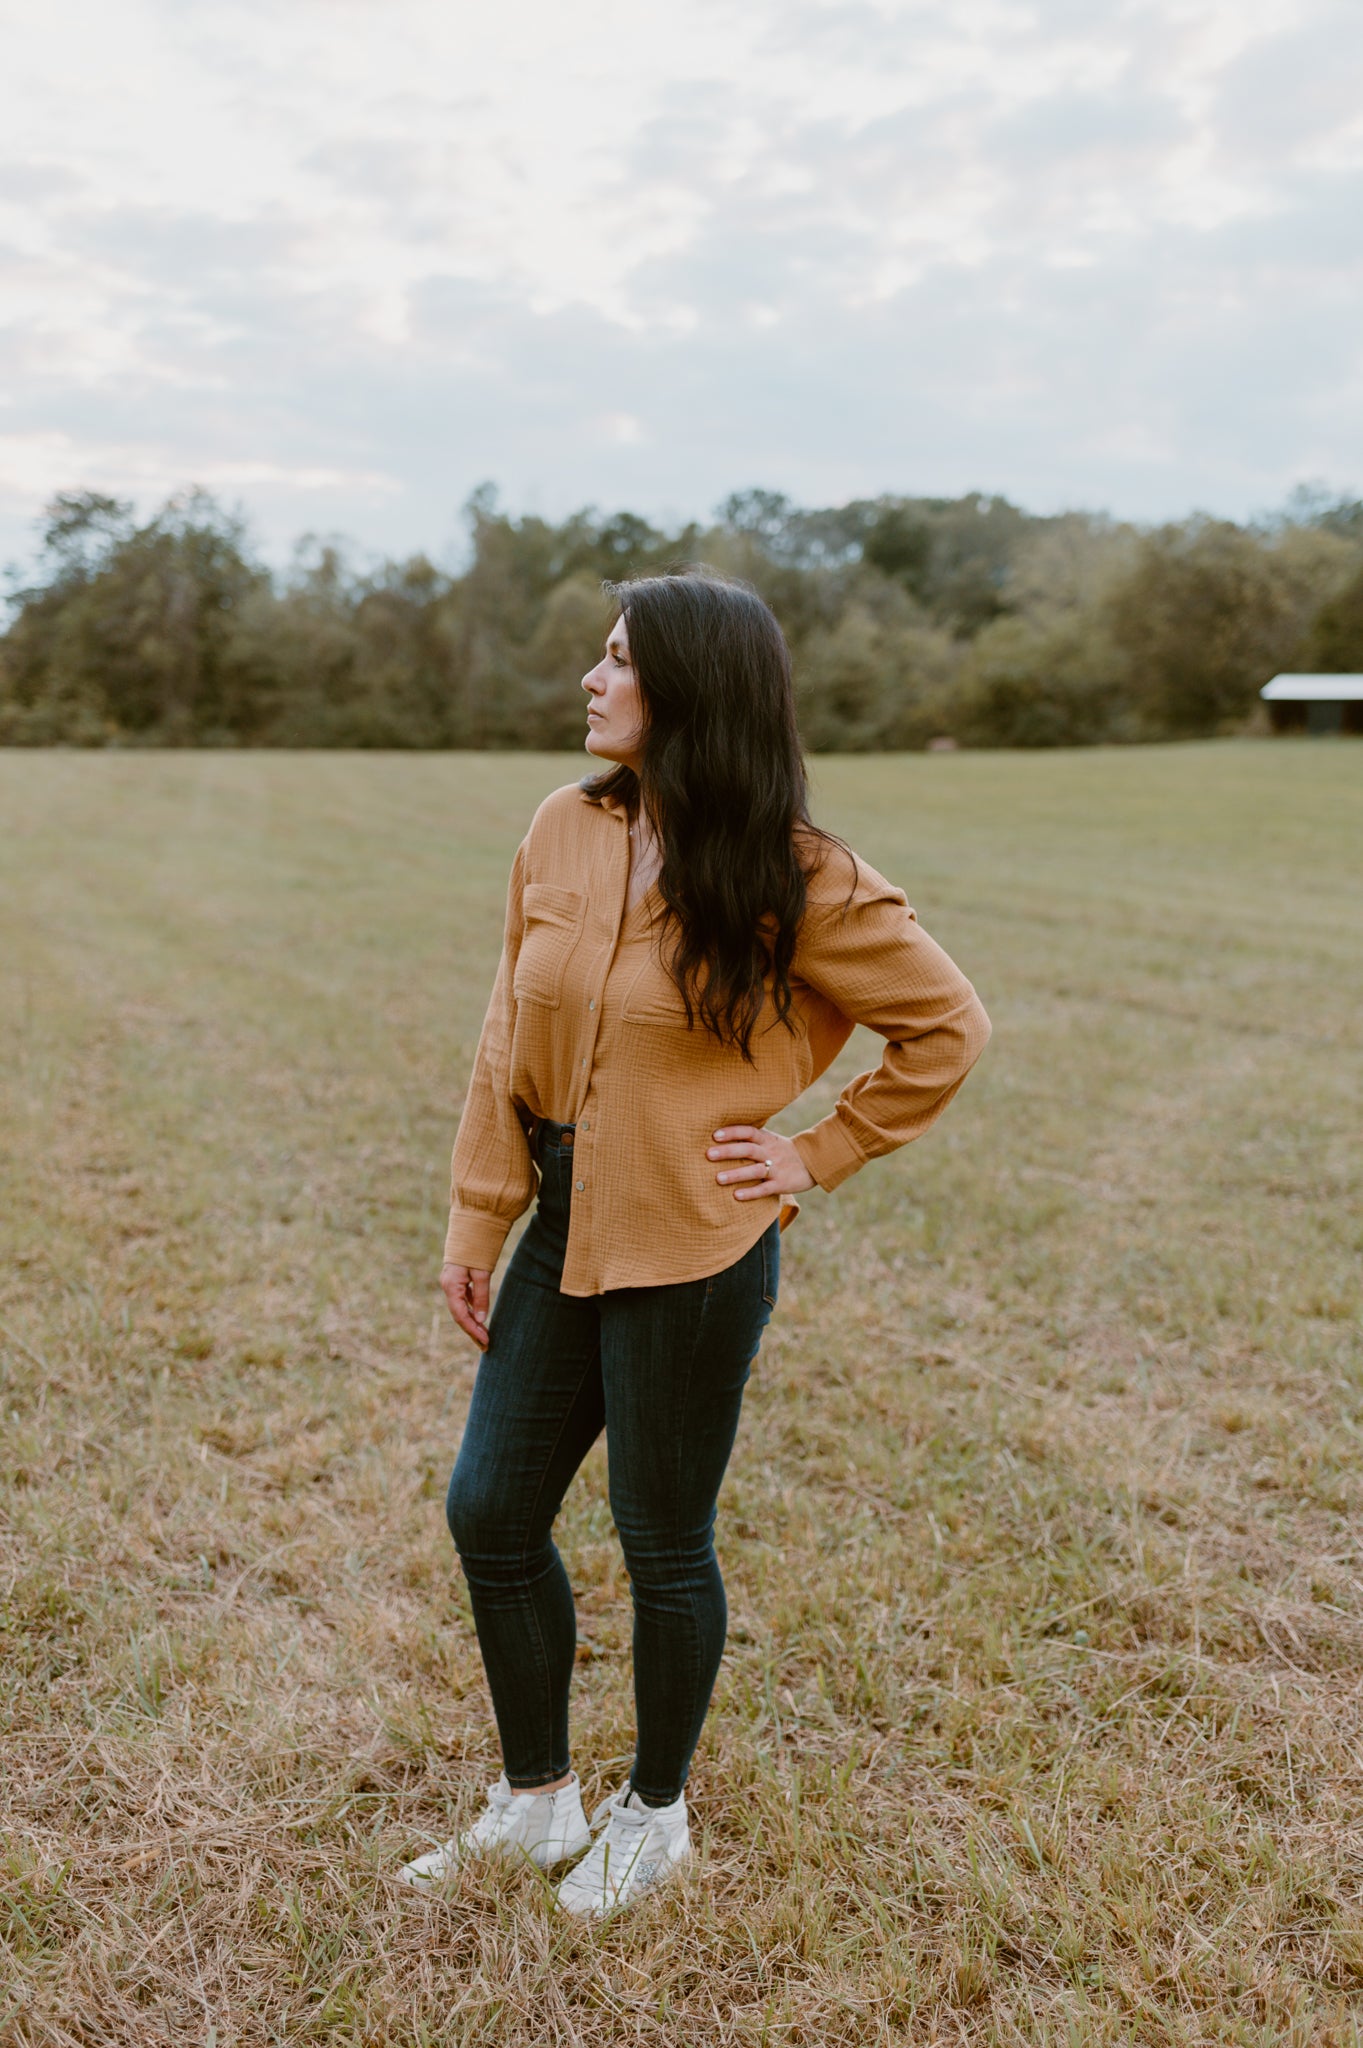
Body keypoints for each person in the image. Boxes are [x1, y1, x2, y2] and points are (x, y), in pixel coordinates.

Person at [400, 570, 990, 1916]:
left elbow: (949, 1028)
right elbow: (507, 1030)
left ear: (691, 691)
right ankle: (539, 1801)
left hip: (696, 1249)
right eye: (599, 659)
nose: (594, 682)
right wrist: (478, 1212)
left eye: (620, 661)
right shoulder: (561, 828)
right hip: (559, 1222)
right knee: (491, 1510)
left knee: (662, 1538)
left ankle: (652, 1816)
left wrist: (816, 1150)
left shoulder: (801, 875)